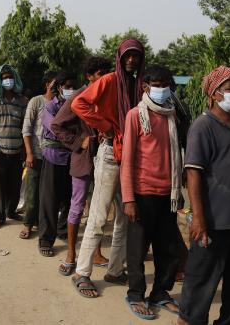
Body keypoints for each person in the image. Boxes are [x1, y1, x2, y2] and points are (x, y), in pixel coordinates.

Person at [177, 66, 230, 325]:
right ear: (214, 94)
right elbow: (193, 174)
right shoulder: (203, 126)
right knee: (202, 278)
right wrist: (198, 217)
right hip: (214, 220)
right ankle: (188, 321)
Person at [70, 39, 145, 297]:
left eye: (136, 55)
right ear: (120, 57)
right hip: (112, 152)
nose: (132, 60)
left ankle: (114, 269)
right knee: (99, 215)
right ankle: (82, 272)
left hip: (133, 156)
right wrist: (105, 125)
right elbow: (79, 104)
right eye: (128, 55)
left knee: (125, 216)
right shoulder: (110, 80)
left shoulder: (140, 84)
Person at [121, 66, 182, 319]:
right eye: (155, 83)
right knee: (137, 249)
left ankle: (160, 293)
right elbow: (127, 160)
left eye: (165, 83)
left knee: (167, 249)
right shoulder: (136, 115)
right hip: (143, 192)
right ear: (145, 87)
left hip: (168, 192)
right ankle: (135, 294)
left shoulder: (172, 115)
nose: (161, 87)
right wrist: (129, 199)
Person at [52, 57, 112, 275]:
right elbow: (56, 125)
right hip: (83, 159)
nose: (104, 77)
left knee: (99, 208)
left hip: (106, 158)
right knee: (77, 206)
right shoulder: (78, 97)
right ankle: (70, 254)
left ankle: (95, 253)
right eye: (99, 73)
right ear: (89, 76)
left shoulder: (109, 95)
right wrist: (79, 142)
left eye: (107, 72)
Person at [37, 72, 77, 256]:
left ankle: (62, 230)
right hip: (53, 156)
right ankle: (46, 239)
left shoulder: (77, 105)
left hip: (71, 158)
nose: (70, 90)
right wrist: (74, 138)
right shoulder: (50, 106)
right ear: (59, 88)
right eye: (67, 87)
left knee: (69, 198)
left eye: (72, 86)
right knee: (49, 200)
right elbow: (55, 130)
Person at [0, 64, 27, 229]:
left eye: (10, 77)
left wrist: (24, 149)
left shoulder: (22, 101)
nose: (8, 80)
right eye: (4, 78)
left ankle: (11, 211)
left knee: (15, 184)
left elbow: (25, 126)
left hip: (16, 150)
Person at [19, 71, 56, 239]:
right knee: (32, 192)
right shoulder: (36, 101)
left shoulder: (60, 104)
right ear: (47, 84)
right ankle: (28, 224)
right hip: (36, 153)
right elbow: (26, 129)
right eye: (54, 84)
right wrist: (29, 153)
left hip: (53, 156)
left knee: (47, 194)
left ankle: (41, 223)